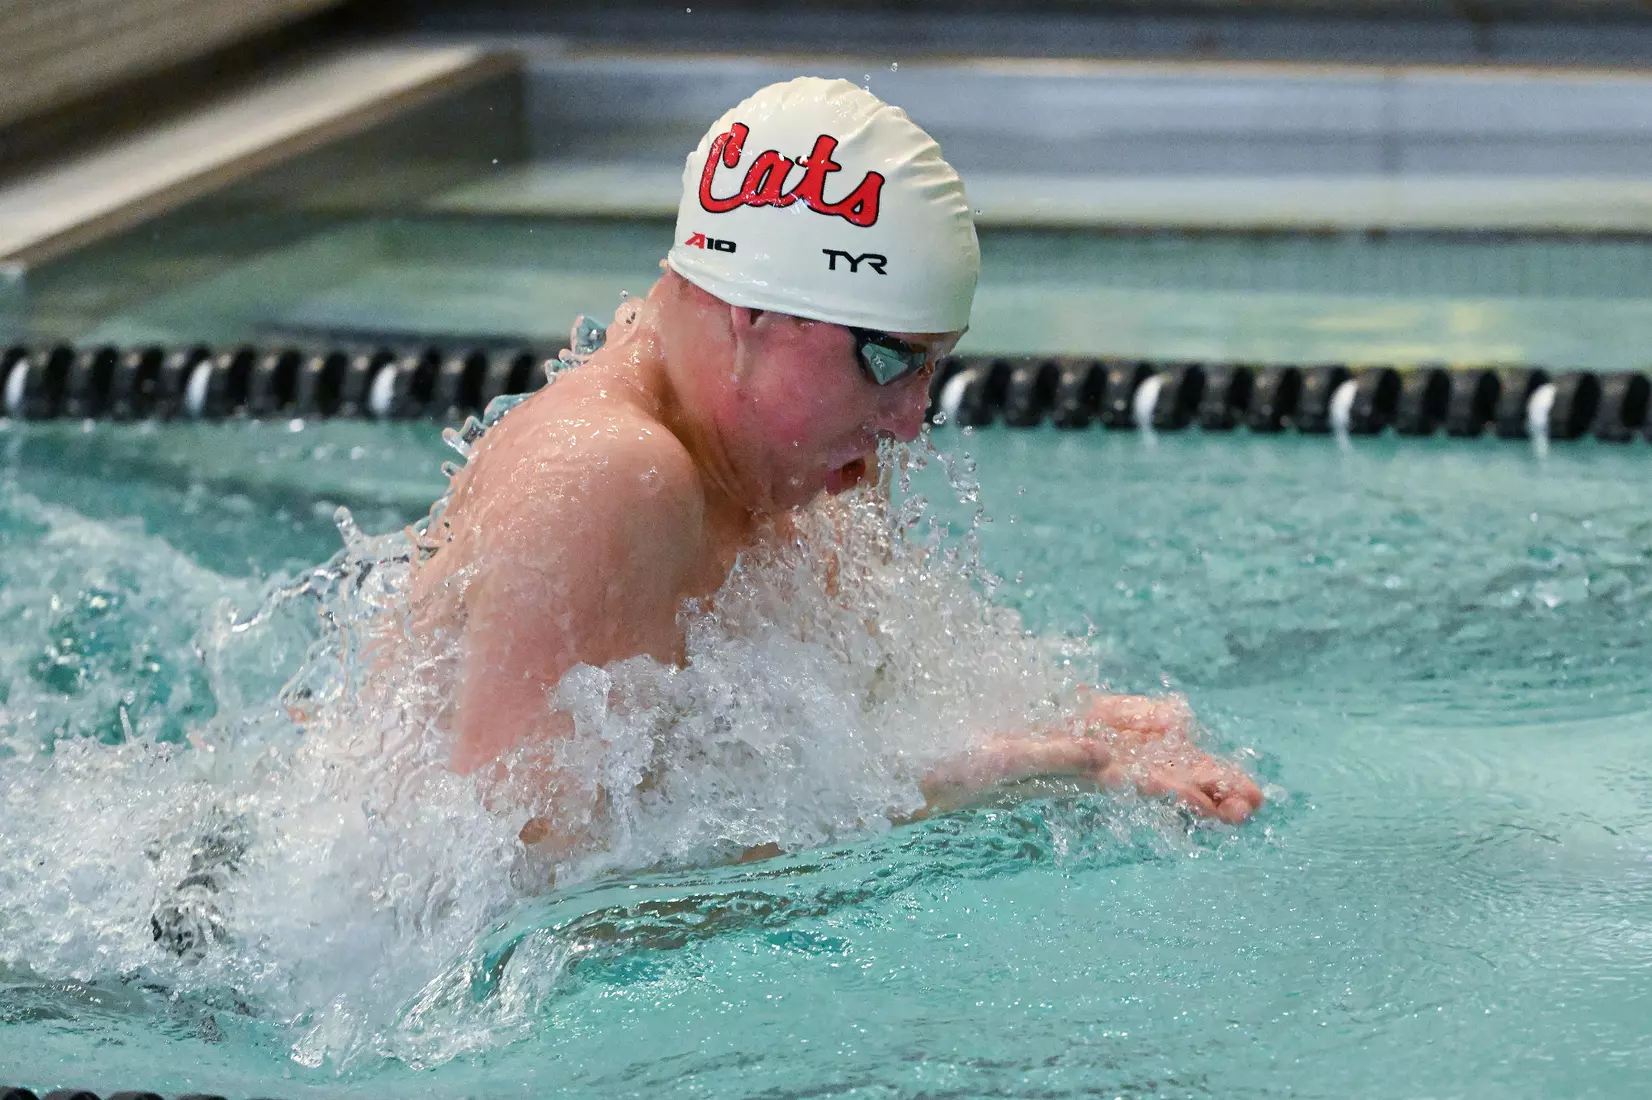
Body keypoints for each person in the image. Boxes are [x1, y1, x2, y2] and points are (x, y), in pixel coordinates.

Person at [405, 77, 1263, 862]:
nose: (912, 421)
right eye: (892, 363)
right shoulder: (610, 474)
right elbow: (517, 900)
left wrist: (1074, 735)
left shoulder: (793, 465)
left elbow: (863, 705)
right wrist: (918, 803)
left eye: (932, 370)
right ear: (754, 313)